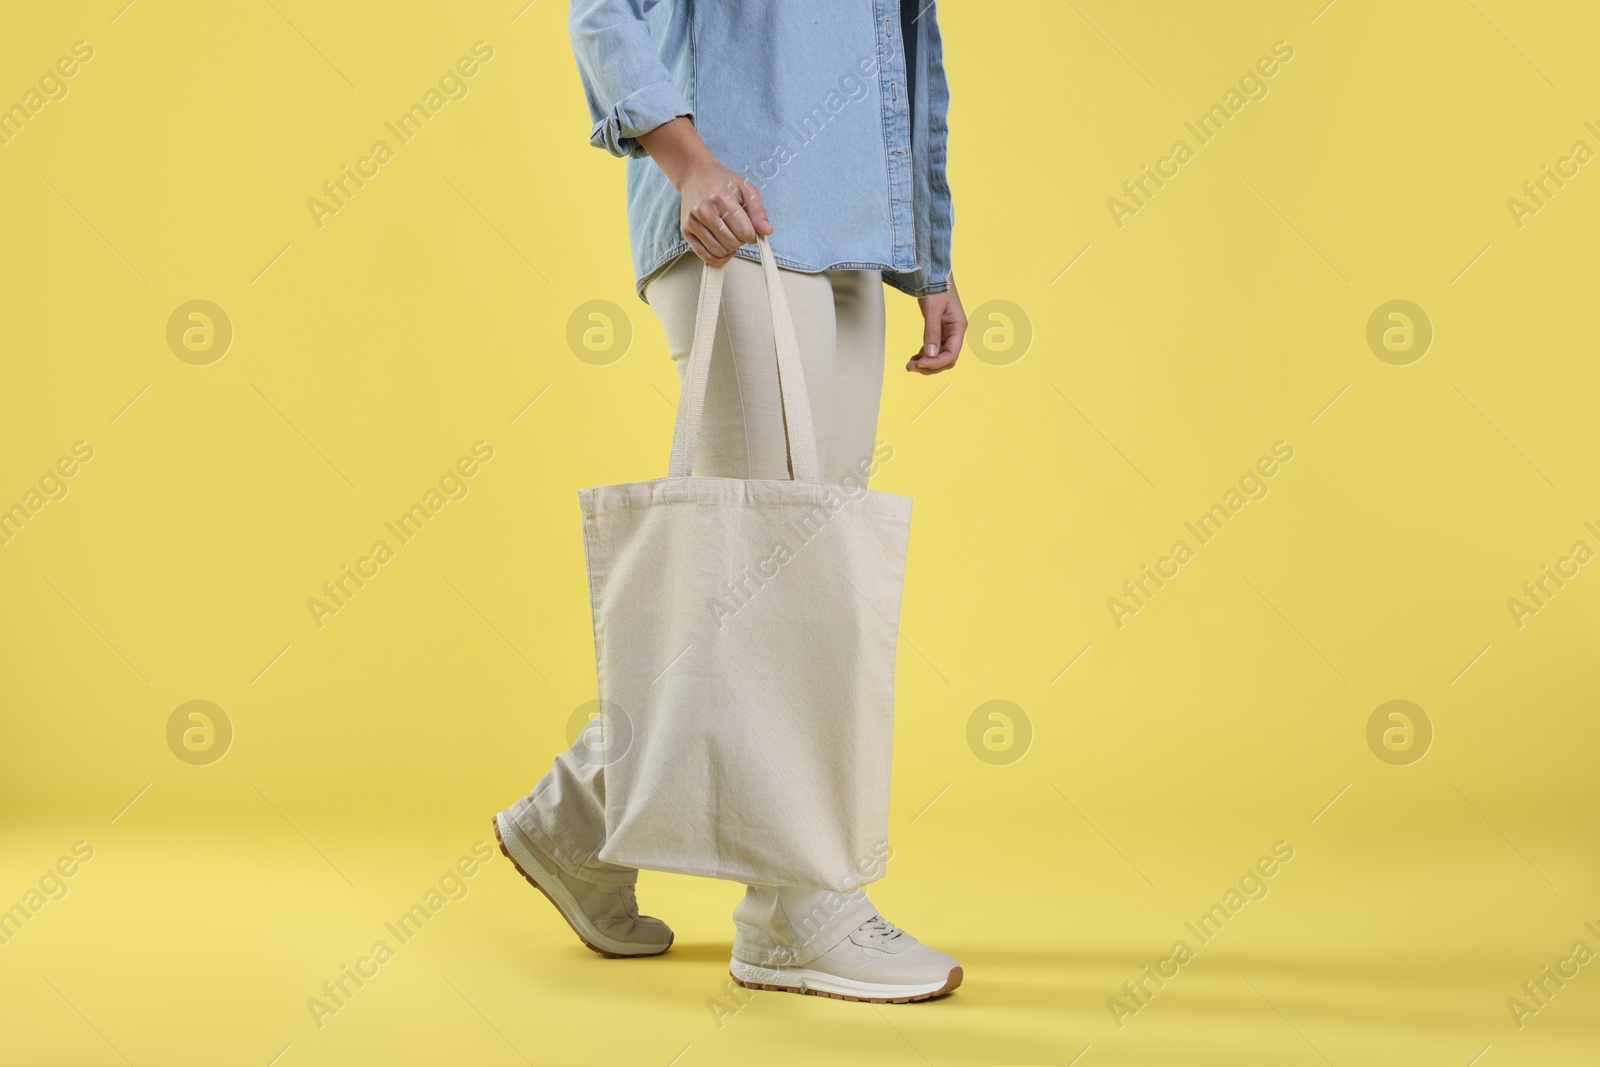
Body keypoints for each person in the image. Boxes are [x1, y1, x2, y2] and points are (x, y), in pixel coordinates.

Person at [494, 0, 966, 1004]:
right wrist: (684, 157)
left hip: (854, 229)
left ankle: (574, 814)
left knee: (798, 576)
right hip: (731, 205)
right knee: (781, 586)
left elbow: (898, 47)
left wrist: (929, 253)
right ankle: (797, 910)